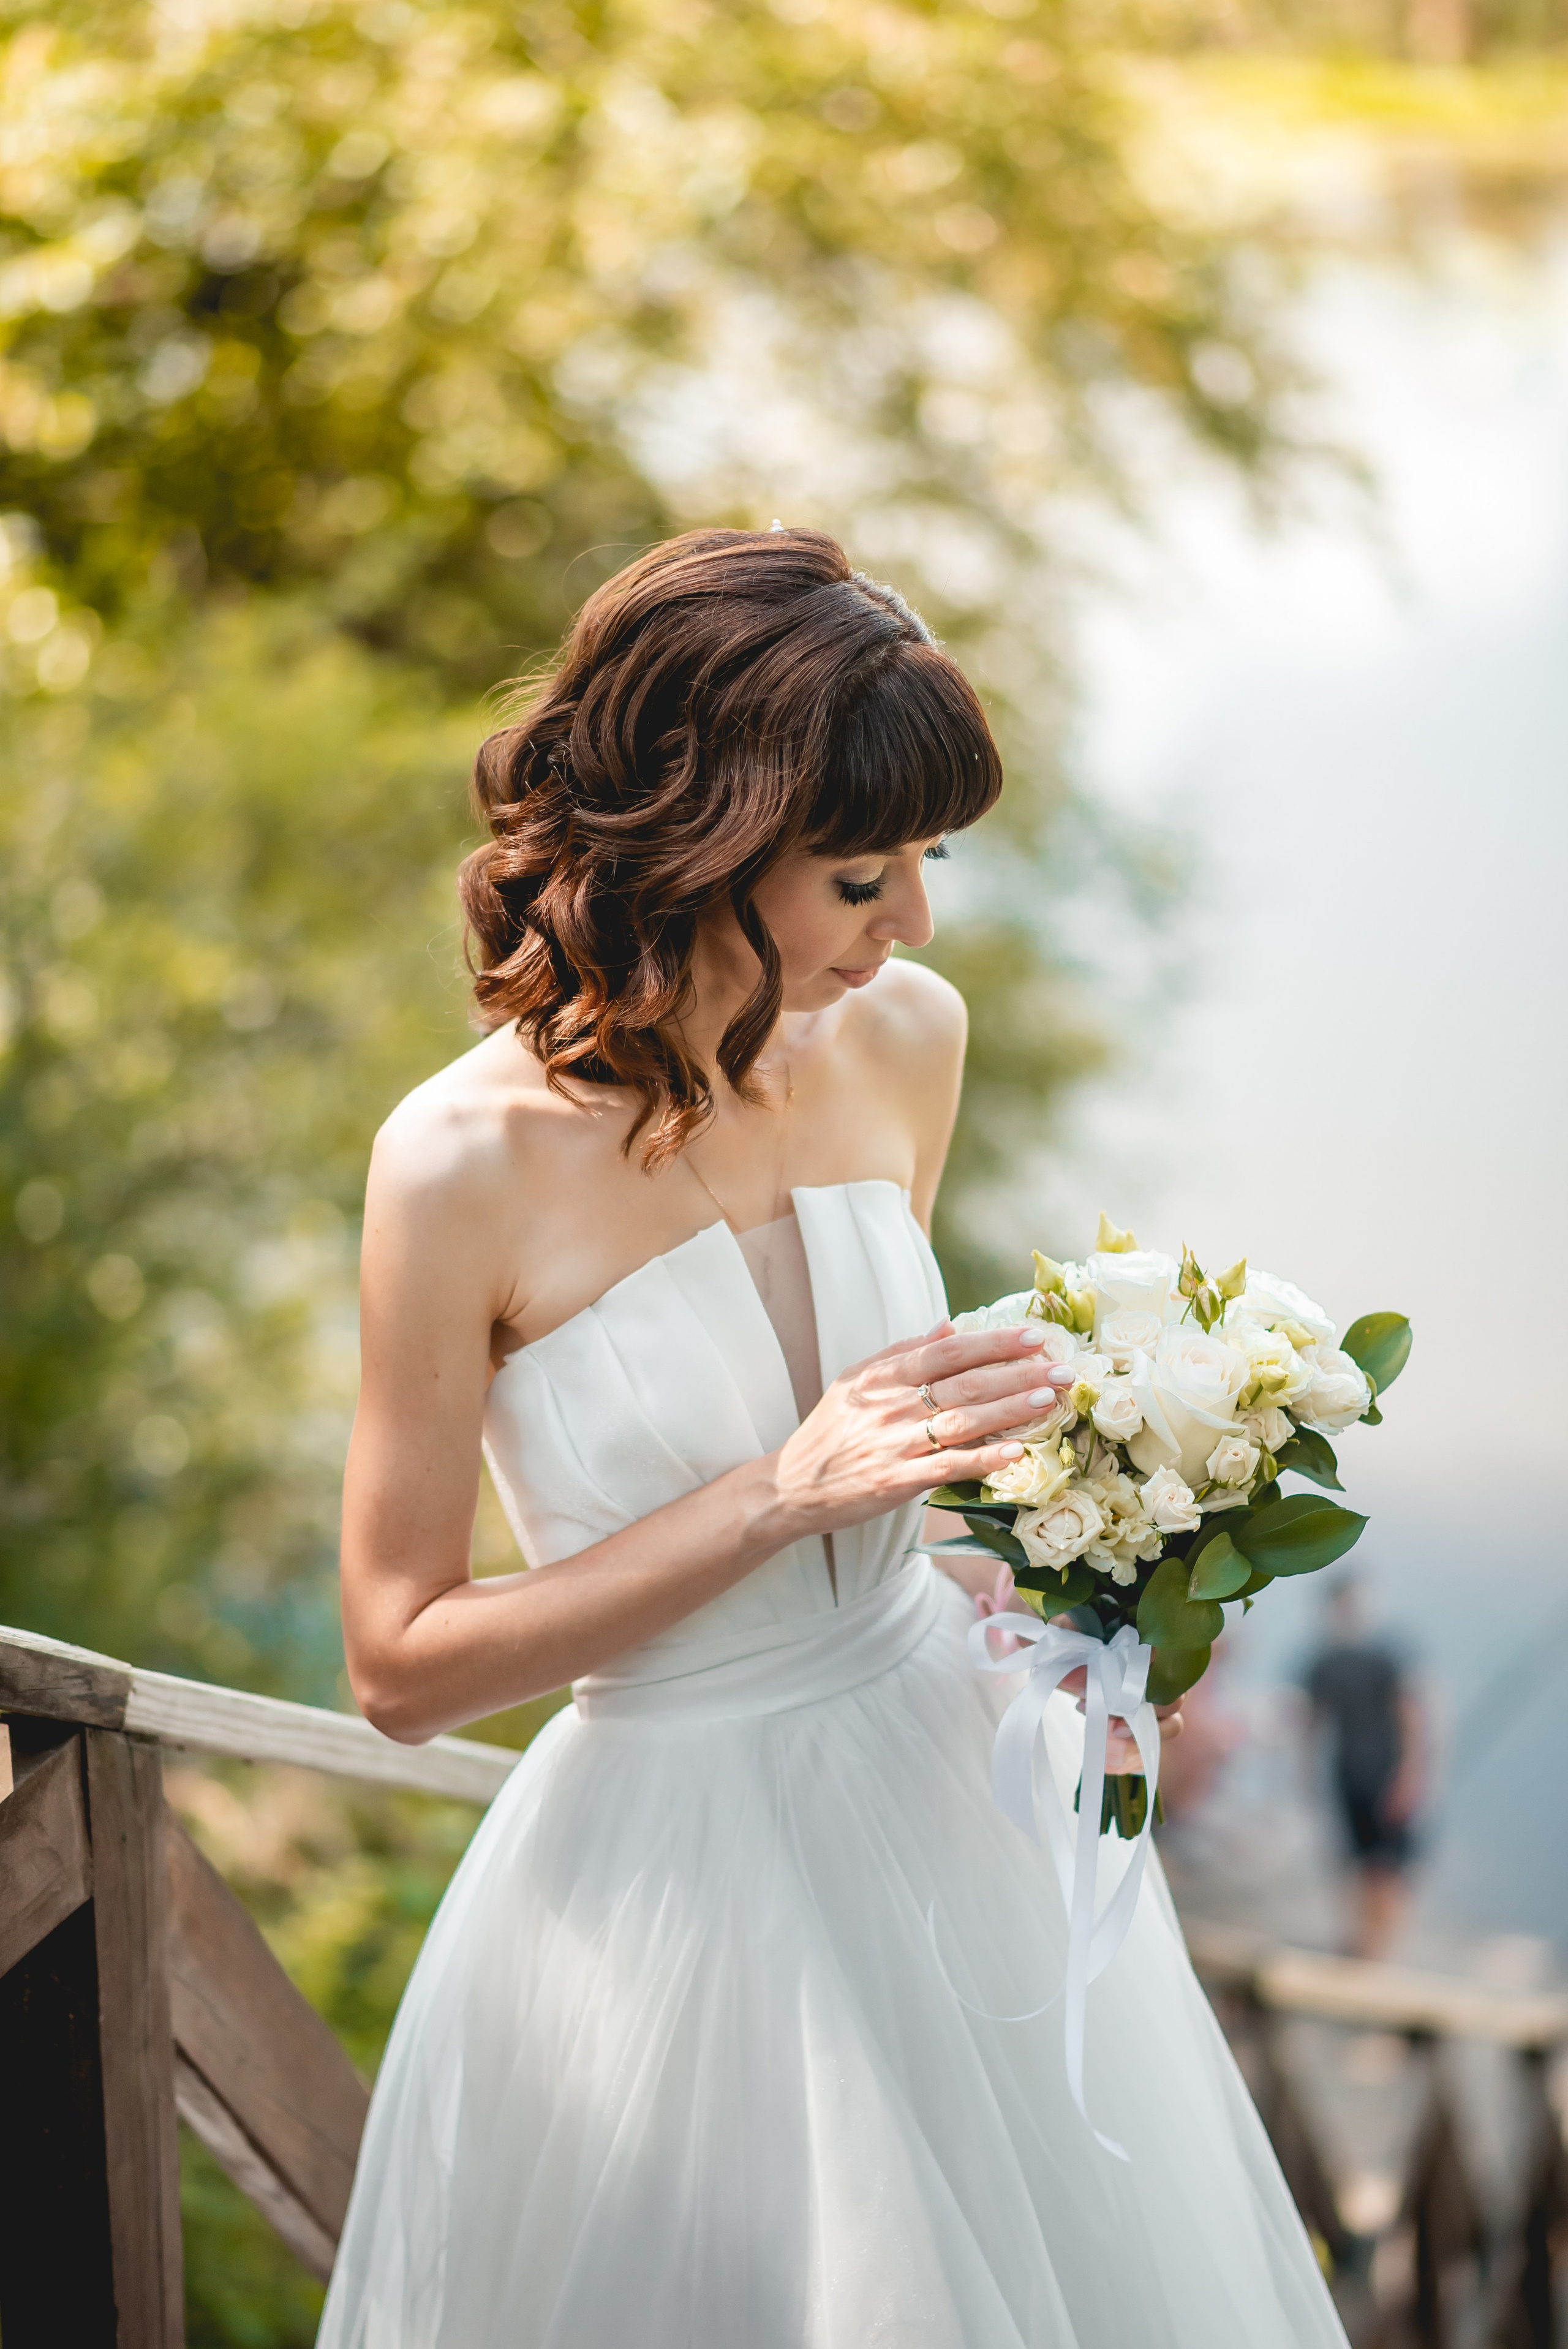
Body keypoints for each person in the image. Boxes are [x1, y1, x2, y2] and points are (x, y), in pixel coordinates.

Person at [319, 528, 1349, 2347]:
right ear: (699, 850)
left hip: (953, 1812)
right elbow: (400, 1666)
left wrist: (1072, 1624)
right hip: (675, 1895)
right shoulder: (455, 1166)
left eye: (928, 863)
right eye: (863, 876)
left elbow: (917, 1492)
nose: (917, 930)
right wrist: (769, 1497)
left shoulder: (903, 1041)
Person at [1305, 1578, 1426, 1963]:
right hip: (1347, 1776)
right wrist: (1307, 1779)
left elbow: (1411, 1717)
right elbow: (1314, 1723)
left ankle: (1381, 1952)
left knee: (1387, 1869)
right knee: (1355, 1865)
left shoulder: (1386, 1657)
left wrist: (1409, 1776)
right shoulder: (1323, 1661)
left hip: (1385, 1774)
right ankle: (1361, 1944)